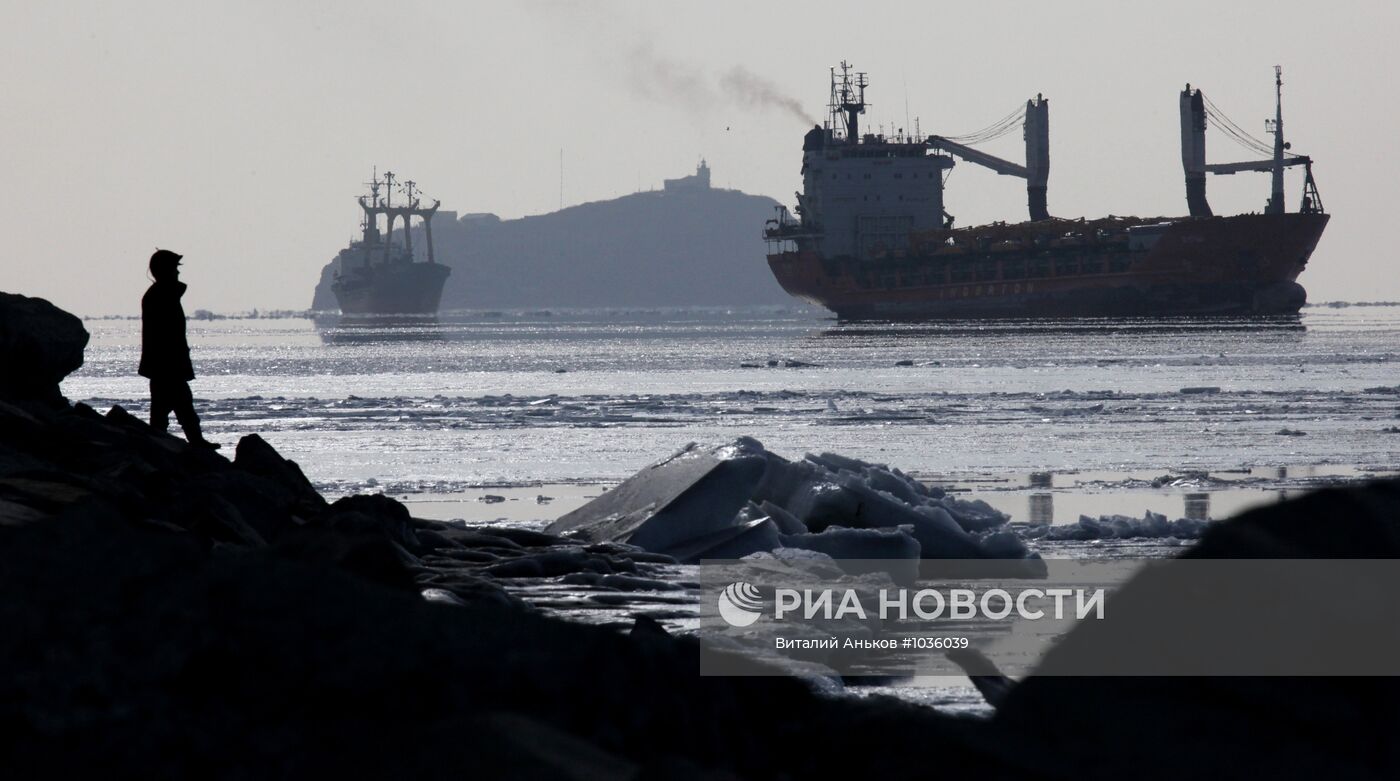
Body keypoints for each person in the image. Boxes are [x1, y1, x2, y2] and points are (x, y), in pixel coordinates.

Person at [139, 249, 218, 449]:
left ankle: (160, 444)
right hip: (166, 365)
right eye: (174, 268)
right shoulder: (161, 296)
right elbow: (165, 336)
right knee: (180, 405)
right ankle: (193, 442)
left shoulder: (161, 295)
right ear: (163, 270)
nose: (177, 273)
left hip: (163, 365)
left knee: (164, 408)